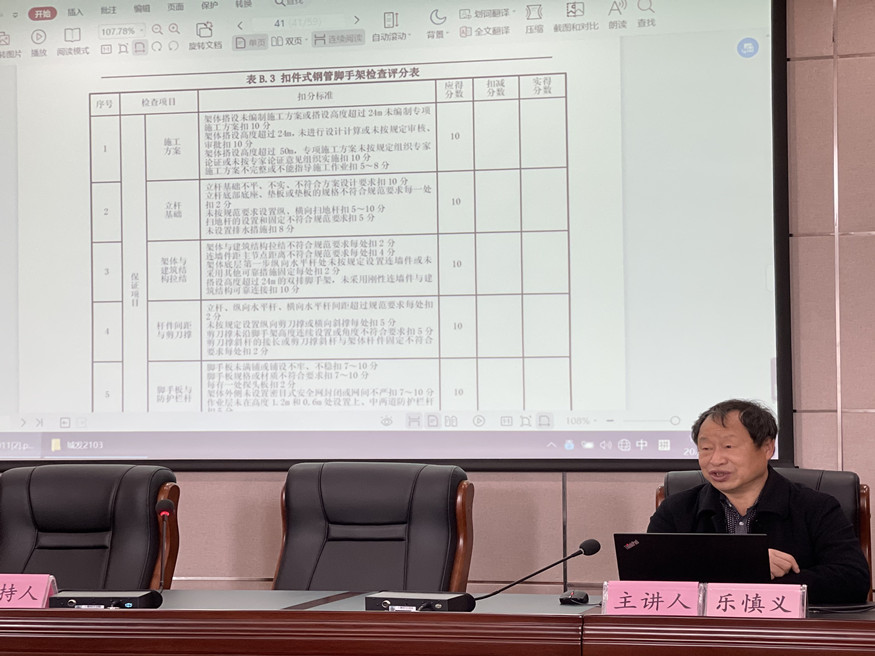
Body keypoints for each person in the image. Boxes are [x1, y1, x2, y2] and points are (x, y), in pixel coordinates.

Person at [648, 398, 870, 604]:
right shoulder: (676, 509)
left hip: (786, 630)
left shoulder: (816, 507)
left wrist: (758, 586)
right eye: (705, 449)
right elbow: (647, 577)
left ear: (767, 448)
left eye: (728, 447)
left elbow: (852, 580)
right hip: (706, 631)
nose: (715, 460)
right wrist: (743, 563)